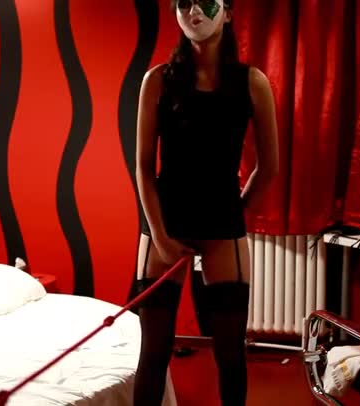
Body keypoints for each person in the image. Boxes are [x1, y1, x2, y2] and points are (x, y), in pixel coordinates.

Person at [132, 0, 279, 405]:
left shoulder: (252, 82)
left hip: (222, 225)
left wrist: (235, 214)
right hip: (164, 221)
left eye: (205, 1)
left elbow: (269, 166)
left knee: (231, 354)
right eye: (183, 2)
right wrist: (160, 236)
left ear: (227, 13)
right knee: (154, 351)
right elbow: (143, 166)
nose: (193, 9)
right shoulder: (158, 80)